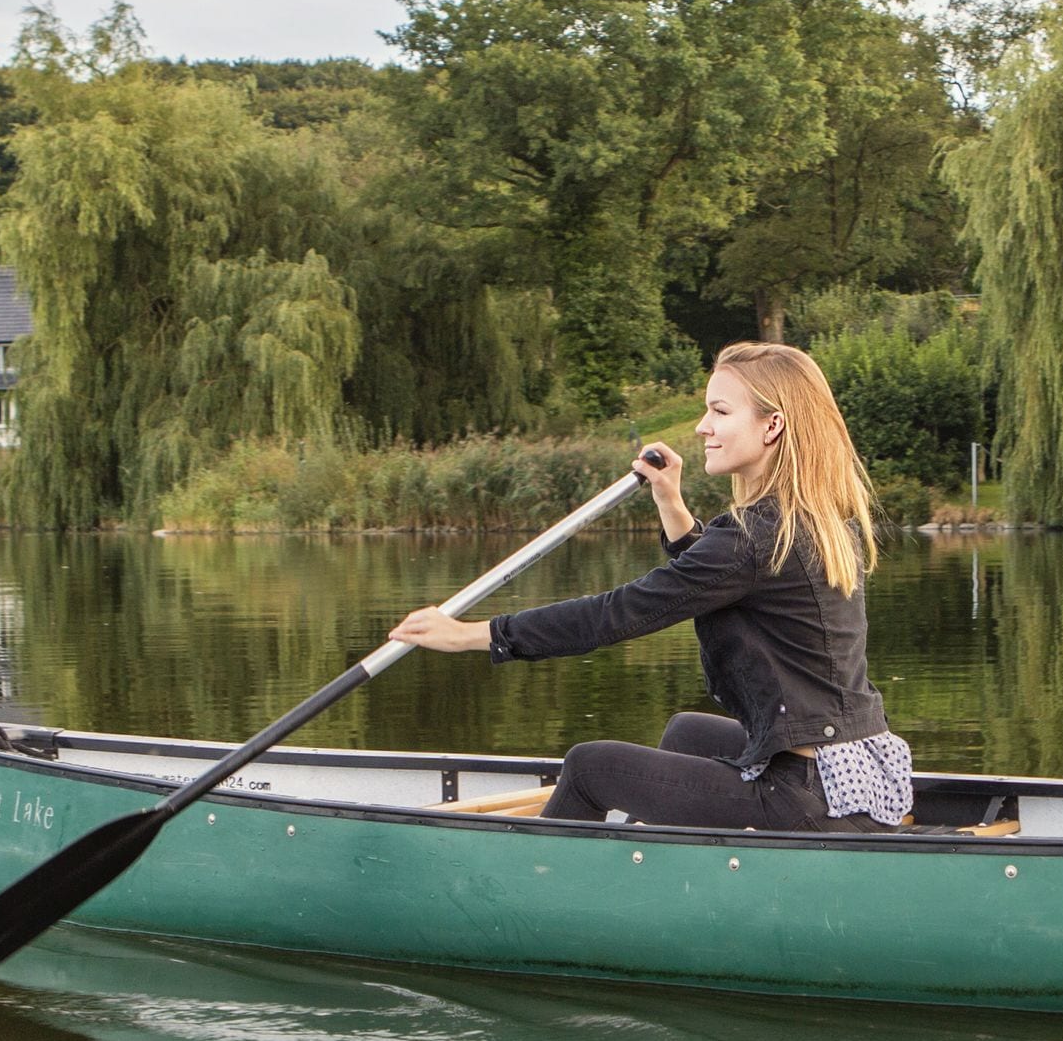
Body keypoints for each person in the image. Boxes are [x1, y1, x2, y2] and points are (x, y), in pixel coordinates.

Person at [386, 342, 917, 833]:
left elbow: (617, 613)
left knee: (590, 767)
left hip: (807, 795)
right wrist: (670, 501)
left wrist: (473, 635)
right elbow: (716, 578)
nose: (703, 427)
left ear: (772, 425)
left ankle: (537, 883)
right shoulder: (815, 521)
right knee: (688, 732)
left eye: (720, 411)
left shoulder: (754, 537)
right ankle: (654, 861)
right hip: (850, 775)